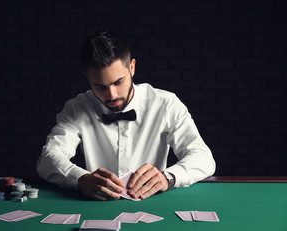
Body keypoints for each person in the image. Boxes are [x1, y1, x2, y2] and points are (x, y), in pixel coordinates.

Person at [36, 30, 215, 201]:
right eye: (99, 86)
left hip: (153, 205)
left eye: (118, 82)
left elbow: (203, 158)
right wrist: (80, 178)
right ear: (87, 77)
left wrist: (167, 177)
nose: (111, 95)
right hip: (98, 207)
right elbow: (48, 158)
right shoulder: (76, 108)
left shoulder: (166, 103)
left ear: (132, 67)